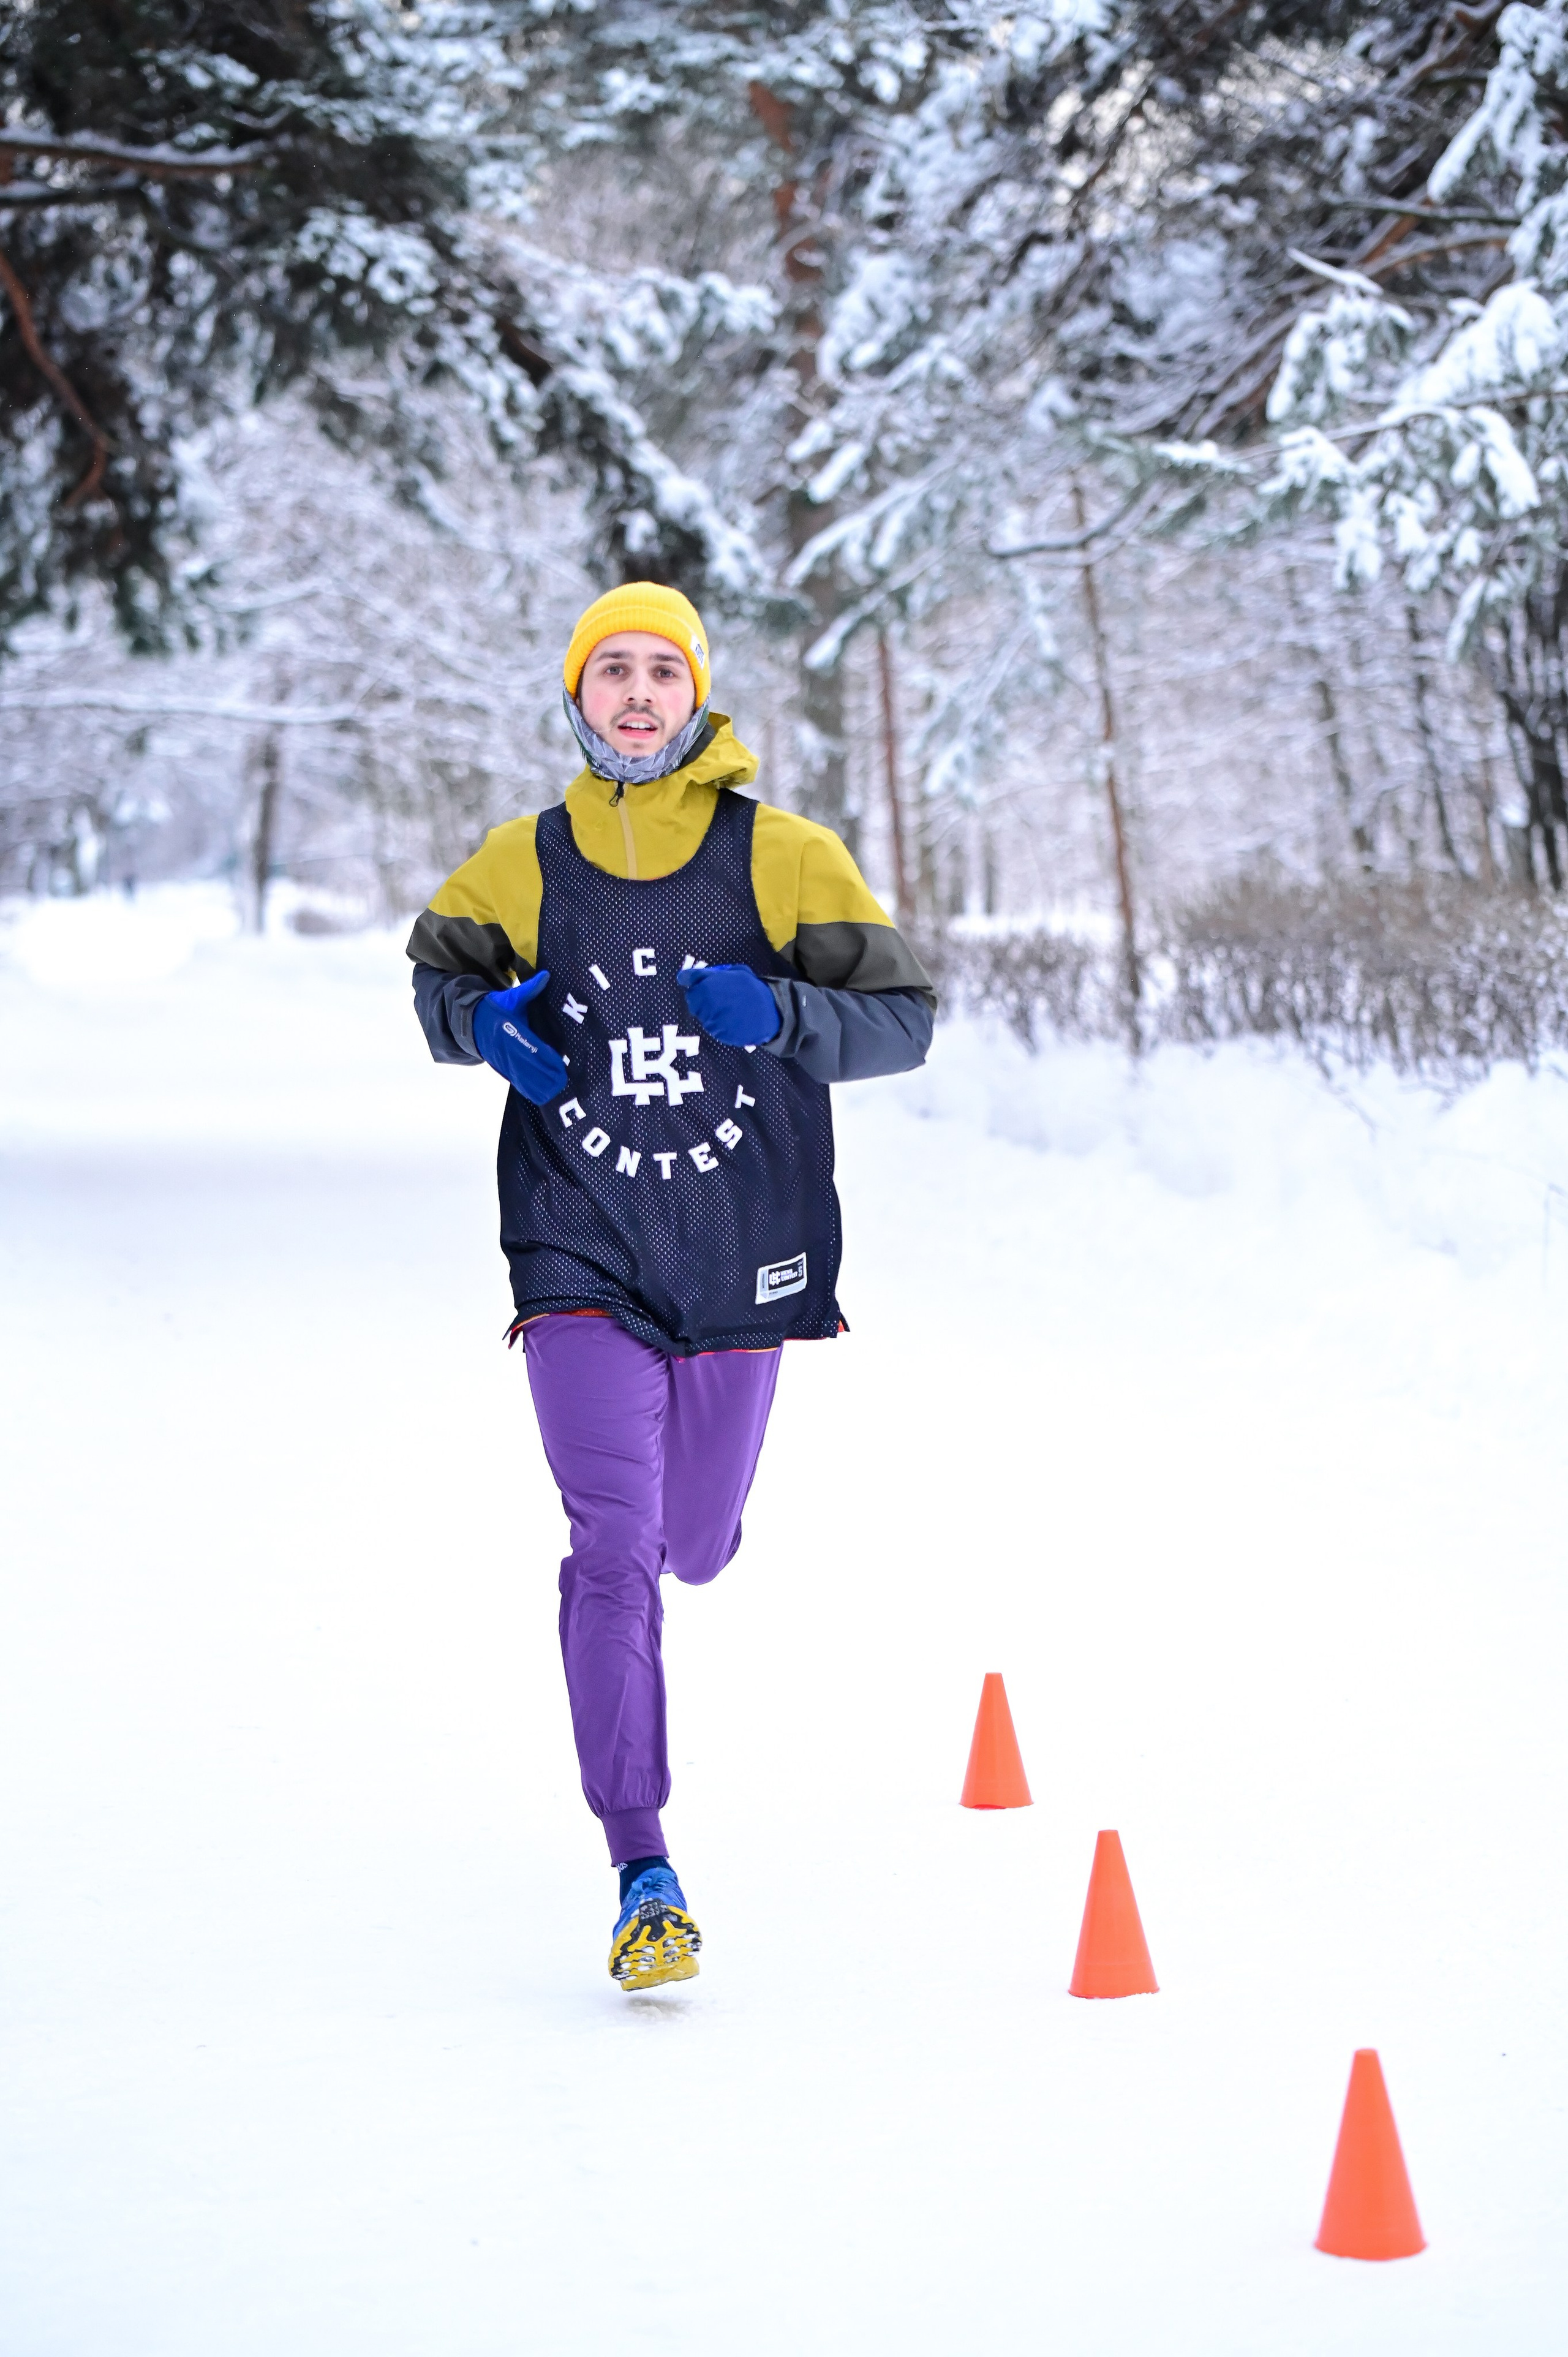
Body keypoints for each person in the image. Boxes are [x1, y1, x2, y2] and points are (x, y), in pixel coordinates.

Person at [407, 582, 934, 1989]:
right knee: (609, 1543)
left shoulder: (782, 855)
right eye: (609, 673)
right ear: (574, 697)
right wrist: (481, 1028)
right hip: (575, 1240)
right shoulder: (519, 861)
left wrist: (789, 1013)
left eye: (660, 672)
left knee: (690, 1543)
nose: (635, 695)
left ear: (695, 695)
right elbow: (436, 983)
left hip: (734, 1241)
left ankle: (695, 1540)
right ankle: (640, 1858)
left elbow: (905, 1022)